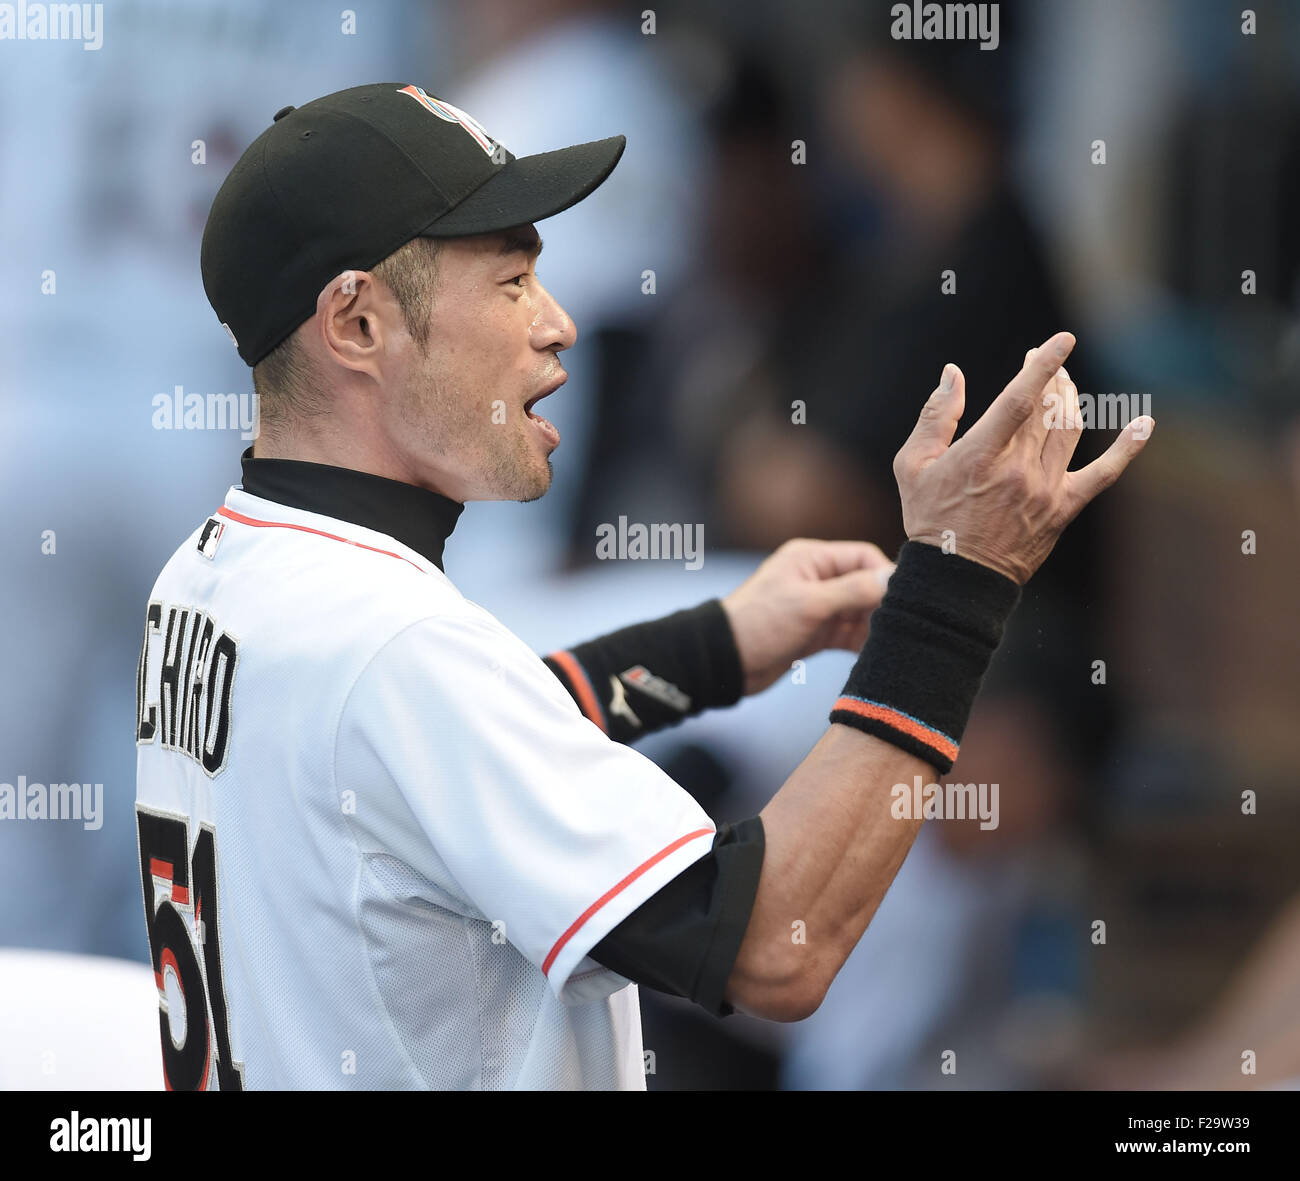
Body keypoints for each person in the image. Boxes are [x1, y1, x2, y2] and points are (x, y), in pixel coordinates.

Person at [134, 82, 1152, 1090]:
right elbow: (770, 944)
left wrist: (719, 644)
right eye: (510, 281)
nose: (558, 323)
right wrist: (954, 587)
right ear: (356, 325)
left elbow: (450, 757)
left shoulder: (209, 576)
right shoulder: (394, 645)